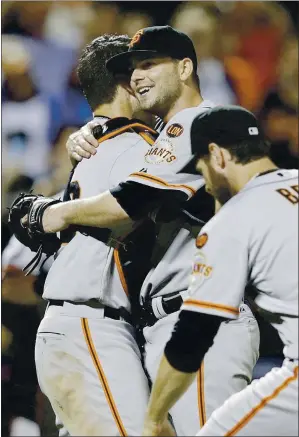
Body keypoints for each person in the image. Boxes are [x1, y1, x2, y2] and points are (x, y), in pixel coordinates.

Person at [39, 26, 259, 436]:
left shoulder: (206, 125)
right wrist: (97, 129)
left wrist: (60, 212)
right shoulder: (162, 137)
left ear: (185, 67)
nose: (137, 76)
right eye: (132, 68)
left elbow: (130, 199)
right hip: (159, 324)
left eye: (149, 64)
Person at [33, 34, 175, 437]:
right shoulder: (135, 146)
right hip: (91, 323)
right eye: (143, 69)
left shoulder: (96, 142)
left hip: (74, 324)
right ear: (129, 82)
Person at [141, 105, 298, 436]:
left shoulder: (230, 221)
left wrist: (155, 417)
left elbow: (192, 336)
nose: (205, 181)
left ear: (217, 156)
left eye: (200, 165)